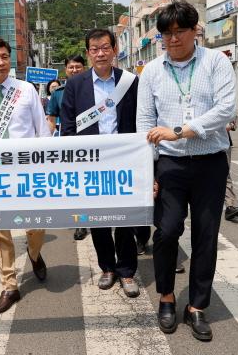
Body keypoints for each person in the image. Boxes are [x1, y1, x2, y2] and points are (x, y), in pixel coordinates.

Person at [137, 0, 236, 342]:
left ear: (195, 31)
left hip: (210, 162)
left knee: (205, 236)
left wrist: (181, 130)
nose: (173, 39)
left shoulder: (216, 63)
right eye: (167, 33)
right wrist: (147, 172)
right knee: (166, 231)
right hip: (170, 164)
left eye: (180, 31)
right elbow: (145, 125)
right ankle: (166, 296)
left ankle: (196, 306)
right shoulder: (150, 71)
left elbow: (226, 109)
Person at [0, 38, 51, 314]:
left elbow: (42, 130)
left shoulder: (26, 90)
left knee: (35, 225)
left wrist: (46, 165)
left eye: (4, 56)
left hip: (28, 170)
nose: (0, 62)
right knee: (0, 231)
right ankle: (9, 285)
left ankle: (35, 252)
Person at [60, 29, 141, 298]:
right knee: (98, 220)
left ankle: (127, 271)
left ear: (115, 49)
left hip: (124, 160)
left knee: (126, 218)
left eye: (105, 47)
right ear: (88, 53)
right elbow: (68, 126)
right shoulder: (75, 84)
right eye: (94, 49)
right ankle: (107, 267)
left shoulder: (130, 82)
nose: (100, 53)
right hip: (91, 163)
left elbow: (141, 120)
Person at [46, 55, 88, 241]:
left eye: (78, 67)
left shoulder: (93, 87)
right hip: (69, 143)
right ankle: (80, 223)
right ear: (65, 70)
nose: (74, 70)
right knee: (76, 184)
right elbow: (52, 118)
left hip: (93, 142)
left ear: (84, 68)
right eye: (71, 67)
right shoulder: (58, 93)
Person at [224, 119, 238, 221]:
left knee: (225, 174)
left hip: (223, 144)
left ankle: (230, 206)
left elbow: (233, 124)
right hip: (200, 144)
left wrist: (230, 125)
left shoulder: (227, 104)